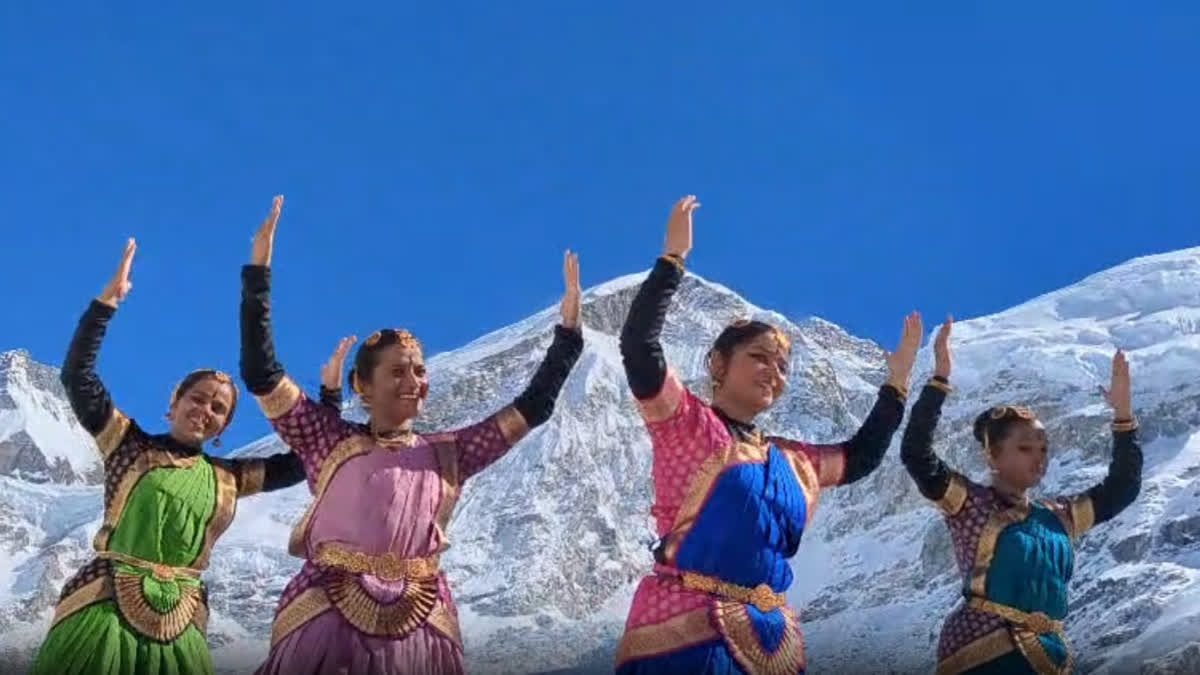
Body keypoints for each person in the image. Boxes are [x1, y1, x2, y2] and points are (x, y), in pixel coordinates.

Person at [238, 196, 585, 674]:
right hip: (327, 619)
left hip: (420, 628)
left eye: (420, 371)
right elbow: (262, 374)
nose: (414, 381)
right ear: (362, 385)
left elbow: (533, 407)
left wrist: (568, 335)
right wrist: (258, 275)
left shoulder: (450, 455)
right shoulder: (328, 439)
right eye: (398, 371)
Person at [614, 196, 921, 674]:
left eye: (782, 367)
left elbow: (859, 457)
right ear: (719, 364)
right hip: (681, 634)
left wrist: (897, 385)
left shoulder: (793, 462)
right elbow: (639, 346)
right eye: (759, 357)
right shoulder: (686, 422)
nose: (773, 372)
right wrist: (672, 260)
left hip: (770, 639)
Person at [31, 238, 307, 675]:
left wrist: (331, 399)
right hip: (103, 612)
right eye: (197, 398)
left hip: (180, 626)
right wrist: (105, 305)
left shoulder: (228, 479)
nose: (205, 410)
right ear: (173, 403)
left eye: (218, 408)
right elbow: (77, 375)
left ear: (224, 428)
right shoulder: (129, 445)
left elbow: (303, 461)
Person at [899, 317, 1142, 674]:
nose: (1039, 458)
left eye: (1043, 449)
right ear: (993, 455)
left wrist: (1123, 414)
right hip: (982, 653)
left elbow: (1123, 488)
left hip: (1048, 656)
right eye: (1025, 448)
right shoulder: (970, 504)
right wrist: (940, 379)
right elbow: (916, 454)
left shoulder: (1058, 516)